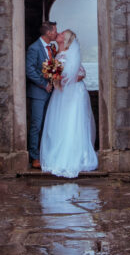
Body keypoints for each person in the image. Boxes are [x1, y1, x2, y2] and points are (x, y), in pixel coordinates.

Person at [40, 29, 98, 178]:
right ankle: (58, 154)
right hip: (61, 93)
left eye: (61, 34)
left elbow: (81, 73)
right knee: (60, 123)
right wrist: (55, 76)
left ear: (65, 40)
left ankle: (75, 157)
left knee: (72, 122)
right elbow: (58, 75)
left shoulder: (68, 54)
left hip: (74, 94)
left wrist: (65, 79)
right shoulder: (57, 54)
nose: (58, 34)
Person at [25, 20, 58, 169]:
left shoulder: (52, 48)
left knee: (47, 124)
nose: (57, 33)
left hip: (51, 92)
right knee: (36, 125)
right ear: (48, 32)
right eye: (55, 31)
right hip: (38, 93)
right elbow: (29, 70)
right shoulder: (34, 48)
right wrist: (44, 84)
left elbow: (52, 68)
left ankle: (45, 153)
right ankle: (34, 157)